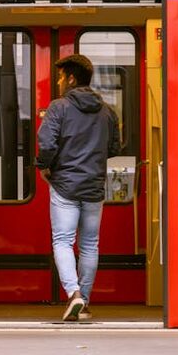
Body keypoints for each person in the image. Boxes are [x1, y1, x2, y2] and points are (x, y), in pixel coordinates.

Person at [36, 54, 121, 322]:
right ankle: (84, 302)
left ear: (71, 78)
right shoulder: (107, 111)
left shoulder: (58, 108)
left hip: (65, 187)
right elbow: (114, 148)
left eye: (62, 77)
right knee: (90, 245)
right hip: (94, 187)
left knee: (62, 240)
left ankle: (74, 294)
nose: (60, 82)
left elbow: (46, 144)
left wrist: (44, 166)